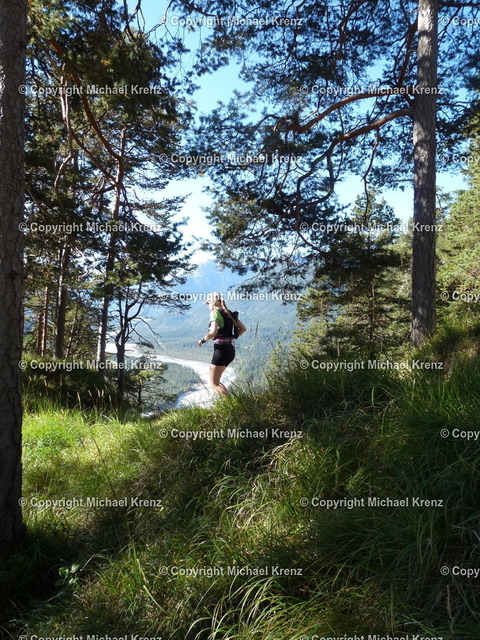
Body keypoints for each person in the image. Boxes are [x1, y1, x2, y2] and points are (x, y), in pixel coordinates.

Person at [198, 292, 246, 396]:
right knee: (217, 382)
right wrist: (231, 337)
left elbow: (213, 332)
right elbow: (243, 329)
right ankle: (231, 402)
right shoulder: (229, 313)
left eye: (208, 303)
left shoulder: (214, 313)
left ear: (212, 302)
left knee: (214, 384)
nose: (207, 306)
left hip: (221, 350)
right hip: (230, 349)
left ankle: (231, 404)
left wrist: (203, 340)